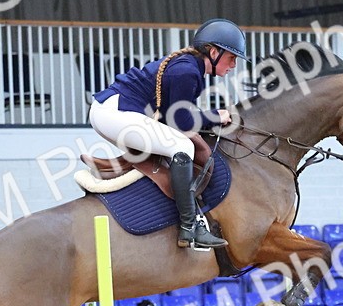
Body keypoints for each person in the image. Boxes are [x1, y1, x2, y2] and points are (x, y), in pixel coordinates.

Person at [89, 18, 247, 251]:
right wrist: (215, 116)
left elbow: (174, 118)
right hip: (114, 112)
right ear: (213, 52)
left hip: (114, 113)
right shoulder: (186, 72)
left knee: (175, 146)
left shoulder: (191, 69)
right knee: (182, 146)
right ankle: (189, 225)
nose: (234, 65)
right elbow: (180, 122)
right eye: (231, 58)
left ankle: (191, 222)